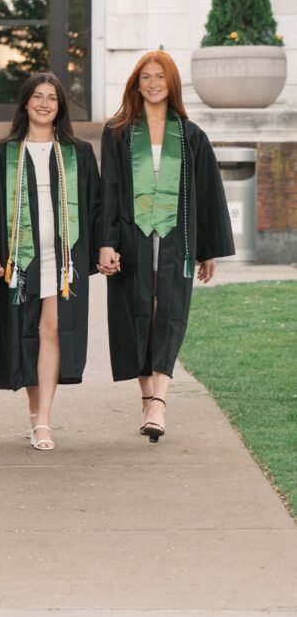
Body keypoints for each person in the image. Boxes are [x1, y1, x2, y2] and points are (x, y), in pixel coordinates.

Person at [98, 50, 234, 442]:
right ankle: (147, 396)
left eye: (160, 77)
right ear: (136, 84)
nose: (153, 83)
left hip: (177, 240)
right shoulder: (119, 132)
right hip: (132, 238)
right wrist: (106, 242)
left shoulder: (190, 135)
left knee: (169, 312)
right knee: (136, 313)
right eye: (146, 77)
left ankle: (159, 400)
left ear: (172, 83)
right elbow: (109, 191)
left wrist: (207, 249)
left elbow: (207, 195)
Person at [0, 72, 100, 451]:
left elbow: (95, 206)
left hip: (63, 257)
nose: (44, 103)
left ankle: (44, 420)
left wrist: (103, 248)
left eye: (52, 97)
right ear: (25, 103)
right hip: (21, 257)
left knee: (52, 328)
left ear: (60, 106)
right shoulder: (3, 153)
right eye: (37, 96)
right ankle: (35, 415)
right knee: (27, 331)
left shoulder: (78, 153)